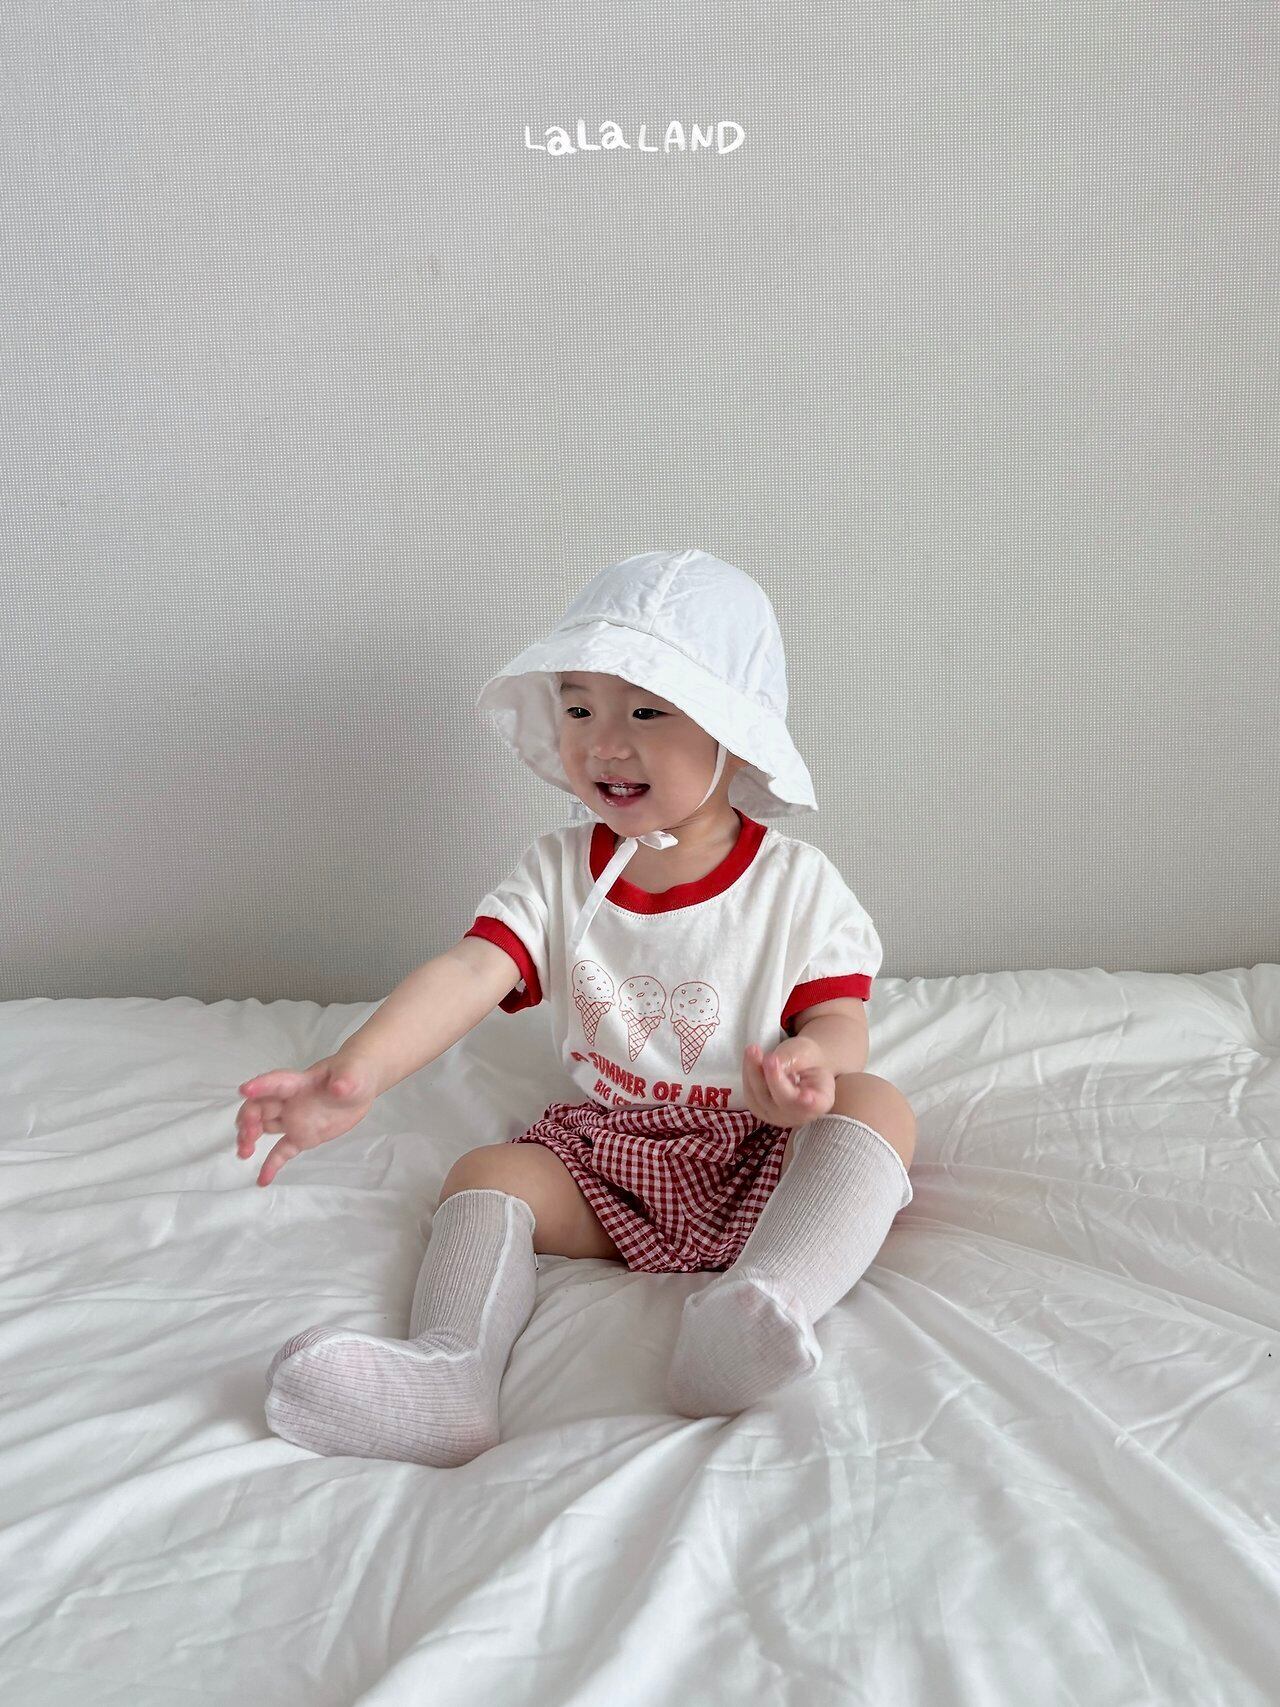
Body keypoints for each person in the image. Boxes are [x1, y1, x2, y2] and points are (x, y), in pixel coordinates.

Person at [236, 548, 916, 1466]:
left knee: (879, 1104)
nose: (605, 743)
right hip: (615, 1160)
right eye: (580, 707)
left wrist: (811, 1068)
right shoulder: (559, 871)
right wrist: (357, 1069)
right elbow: (472, 969)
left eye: (646, 711)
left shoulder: (795, 884)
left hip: (762, 1155)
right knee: (485, 1171)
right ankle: (450, 1372)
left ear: (732, 729)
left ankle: (765, 1303)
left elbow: (840, 1019)